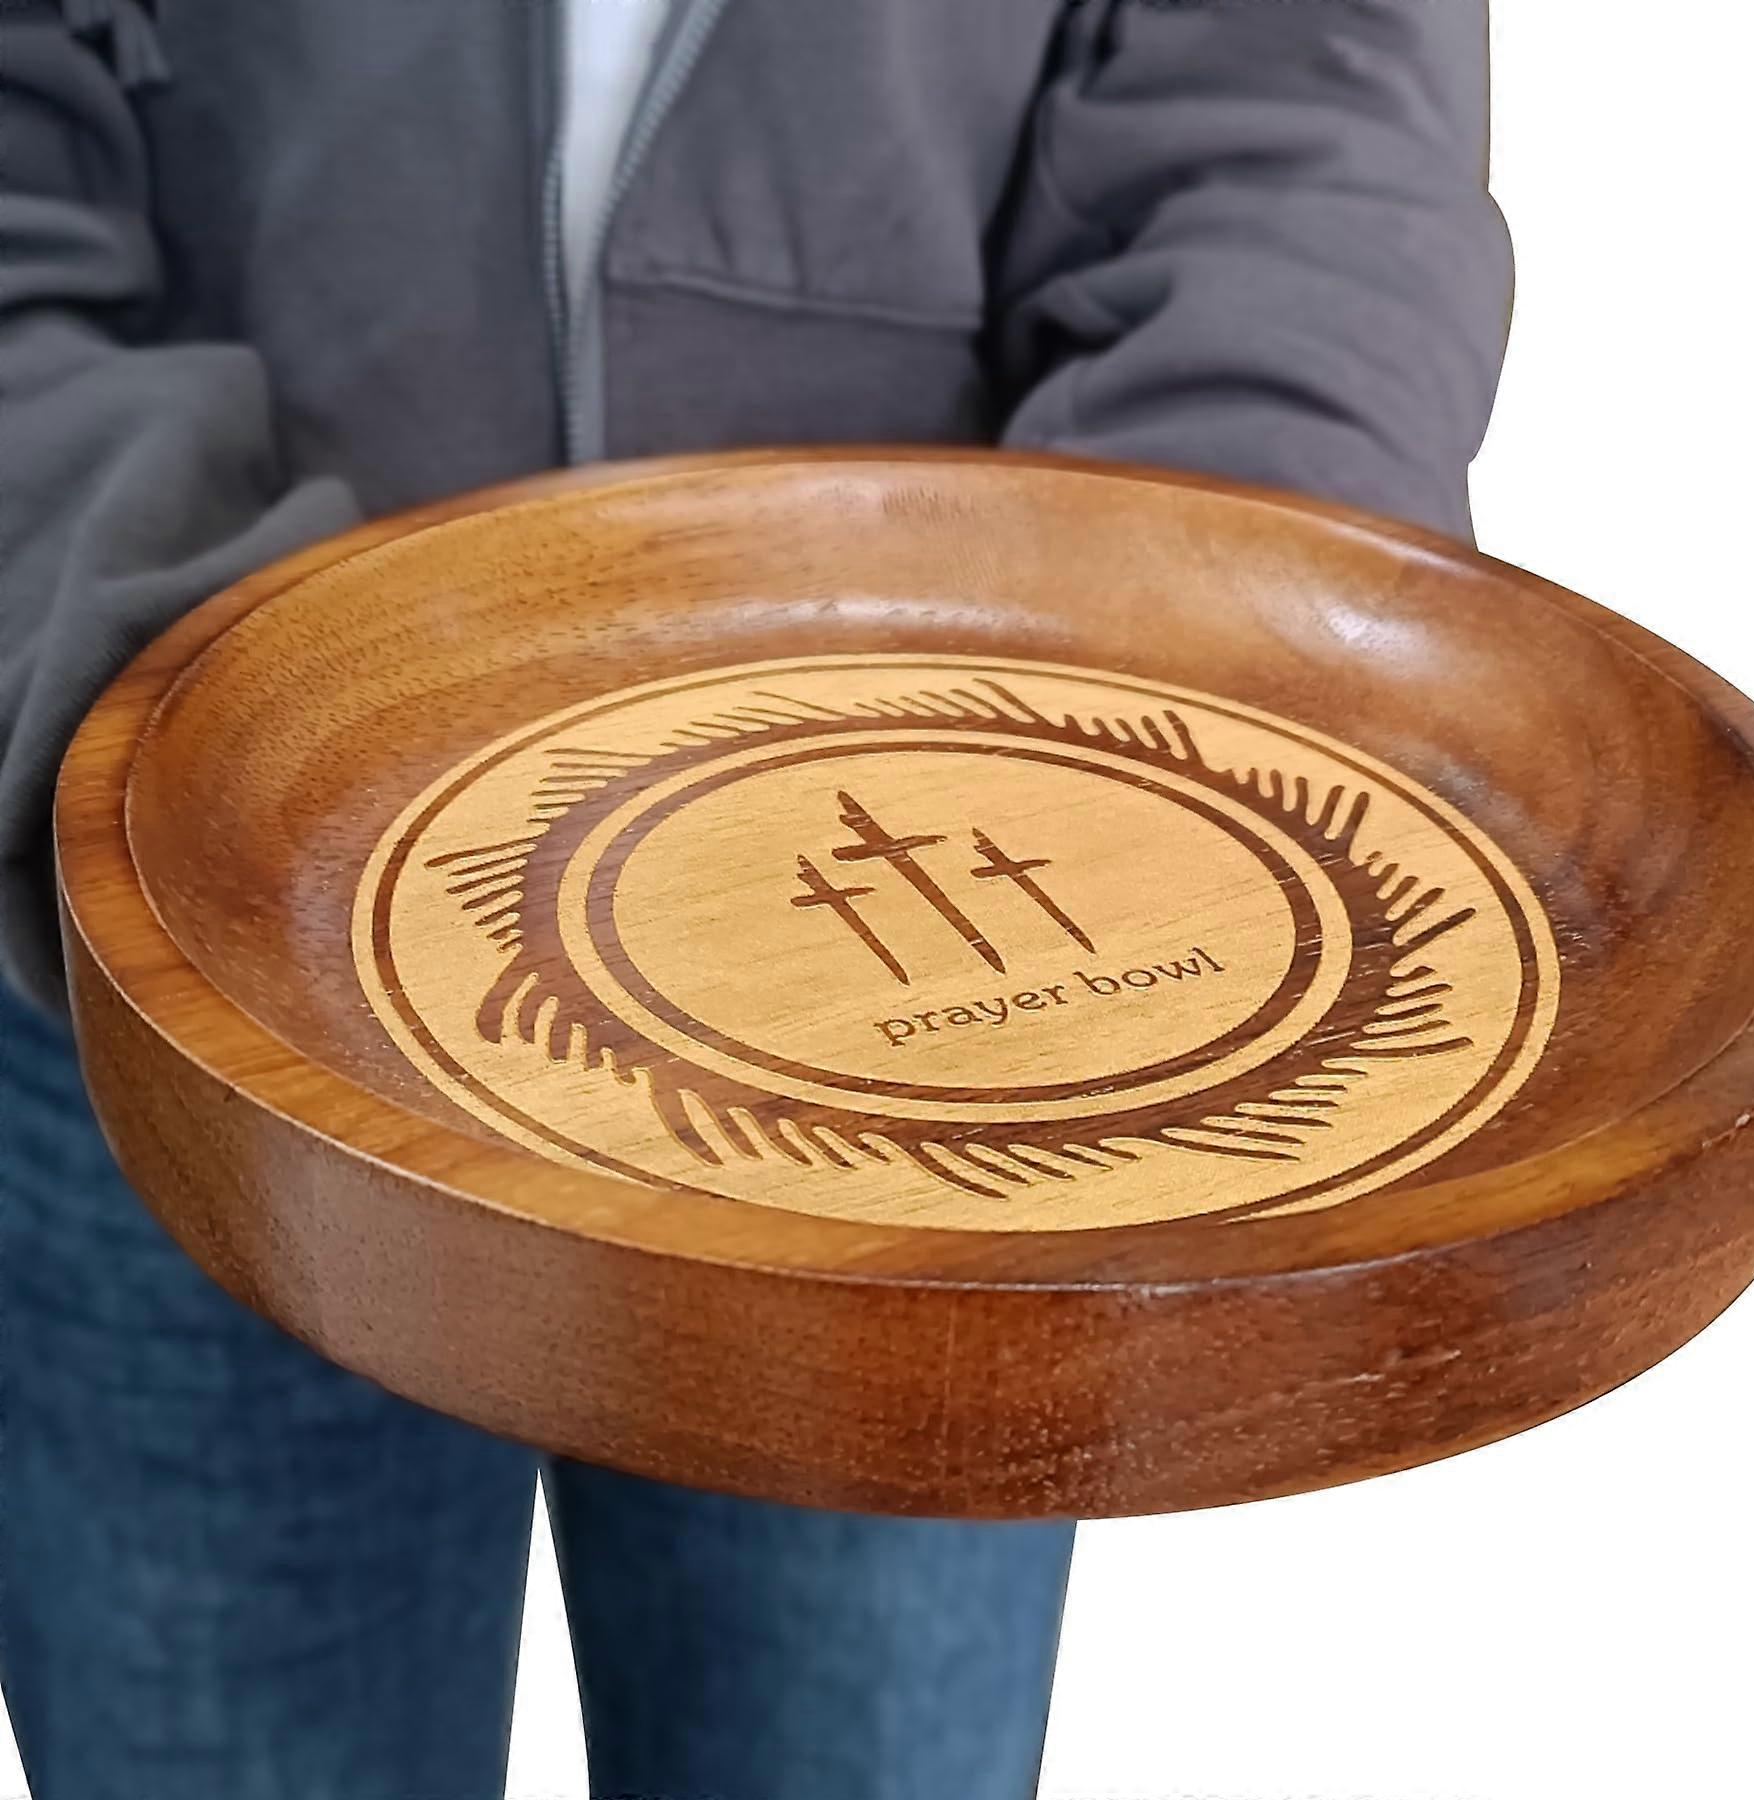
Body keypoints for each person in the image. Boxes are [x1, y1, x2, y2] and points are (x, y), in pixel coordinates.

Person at [0, 2, 1511, 1795]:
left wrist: (1164, 728)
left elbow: (1294, 100)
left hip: (927, 1032)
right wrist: (196, 727)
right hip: (176, 934)